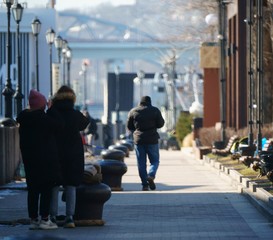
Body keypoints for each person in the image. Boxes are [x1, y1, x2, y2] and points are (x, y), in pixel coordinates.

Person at [16, 89, 63, 230]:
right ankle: (44, 219)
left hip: (30, 161)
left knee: (33, 191)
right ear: (42, 105)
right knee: (46, 190)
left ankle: (33, 220)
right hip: (46, 161)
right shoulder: (43, 119)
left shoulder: (24, 119)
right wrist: (52, 109)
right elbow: (60, 125)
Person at [49, 85, 89, 228]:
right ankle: (69, 218)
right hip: (73, 154)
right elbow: (85, 123)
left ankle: (52, 217)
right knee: (71, 185)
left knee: (53, 185)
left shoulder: (52, 113)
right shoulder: (75, 114)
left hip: (55, 153)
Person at [126, 96, 165, 191]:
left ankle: (144, 185)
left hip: (139, 140)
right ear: (149, 102)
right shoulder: (155, 110)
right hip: (152, 139)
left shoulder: (133, 111)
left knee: (141, 163)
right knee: (155, 161)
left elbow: (129, 126)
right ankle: (151, 175)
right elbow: (160, 124)